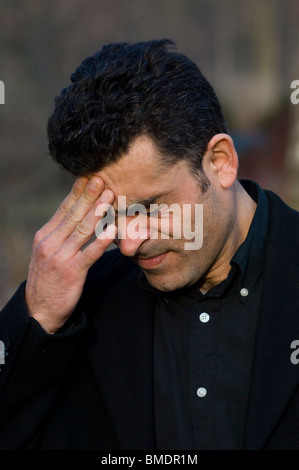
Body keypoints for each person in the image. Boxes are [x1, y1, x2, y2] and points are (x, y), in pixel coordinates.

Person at [0, 39, 298, 451]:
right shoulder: (81, 305)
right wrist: (35, 319)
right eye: (113, 214)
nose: (128, 243)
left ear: (221, 161)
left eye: (150, 207)